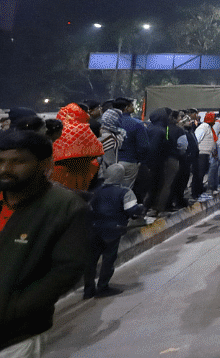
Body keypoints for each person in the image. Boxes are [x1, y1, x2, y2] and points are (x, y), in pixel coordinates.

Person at [0, 127, 91, 356]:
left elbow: (67, 270)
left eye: (18, 161)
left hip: (15, 337)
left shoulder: (65, 207)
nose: (5, 169)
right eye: (0, 161)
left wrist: (11, 309)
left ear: (45, 163)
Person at [83, 164, 144, 298]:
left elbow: (88, 209)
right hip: (113, 230)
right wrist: (140, 208)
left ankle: (88, 290)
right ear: (121, 176)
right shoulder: (125, 192)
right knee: (108, 259)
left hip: (94, 229)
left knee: (91, 260)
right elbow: (132, 211)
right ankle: (103, 287)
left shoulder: (95, 191)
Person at [51, 101, 104, 192]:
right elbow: (96, 151)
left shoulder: (59, 128)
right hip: (82, 173)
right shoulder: (83, 128)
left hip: (58, 173)